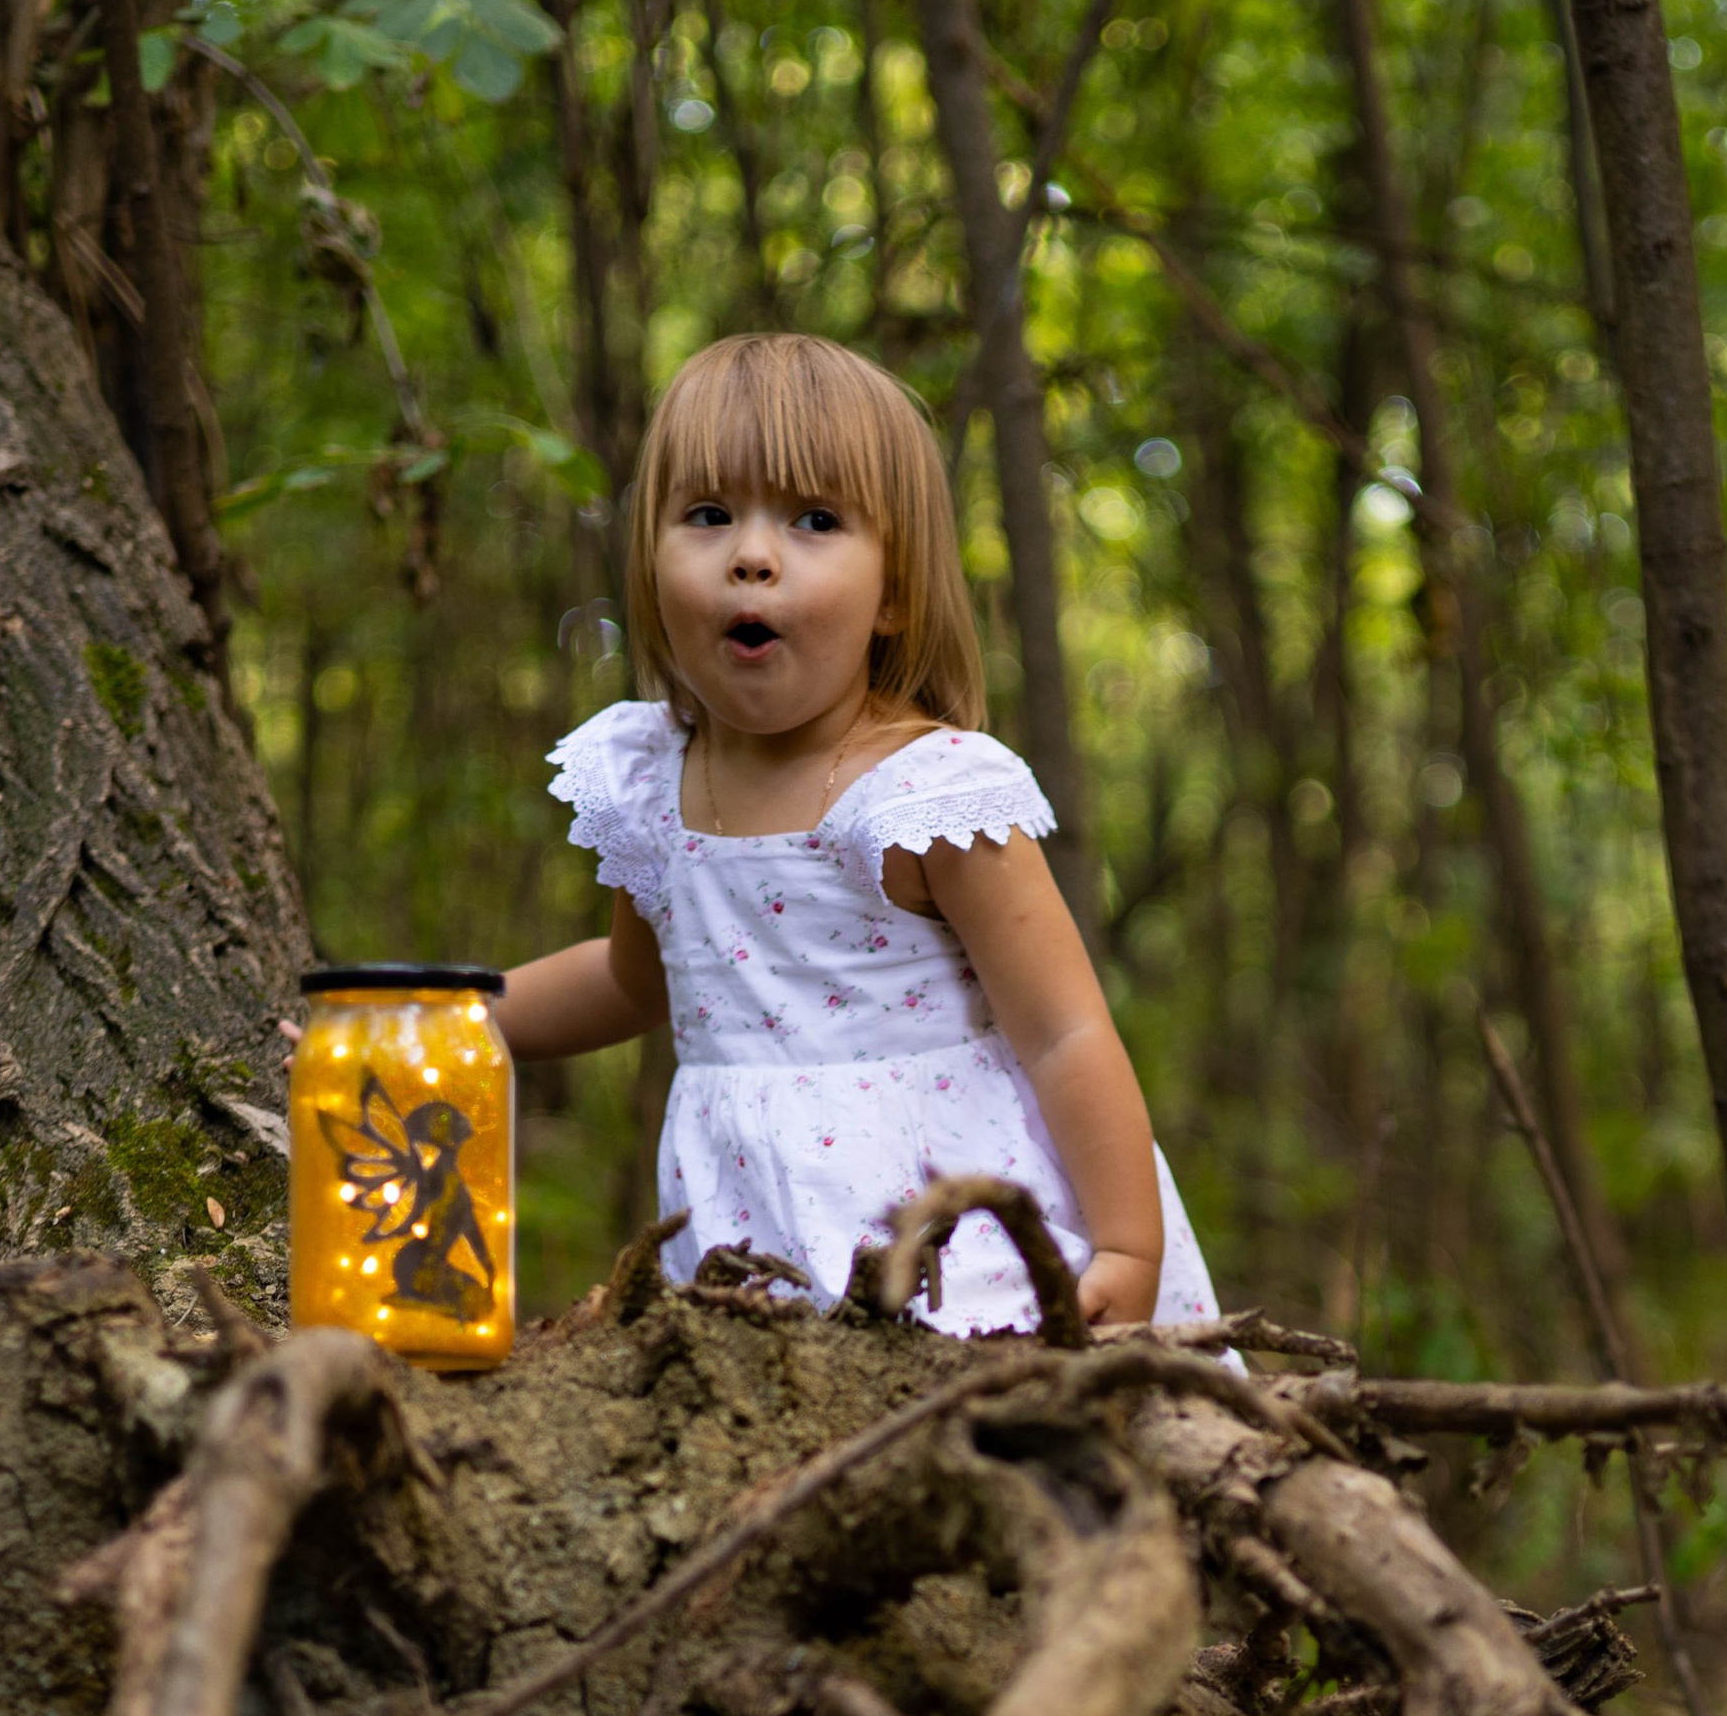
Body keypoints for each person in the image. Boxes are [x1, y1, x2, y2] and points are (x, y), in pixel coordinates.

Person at [498, 329, 1222, 1337]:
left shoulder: (923, 793)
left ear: (894, 592)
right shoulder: (652, 782)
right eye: (707, 515)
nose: (752, 555)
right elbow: (633, 980)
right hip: (751, 1246)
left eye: (814, 521)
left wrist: (1128, 1249)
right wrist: (446, 1017)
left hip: (955, 1239)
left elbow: (1062, 1032)